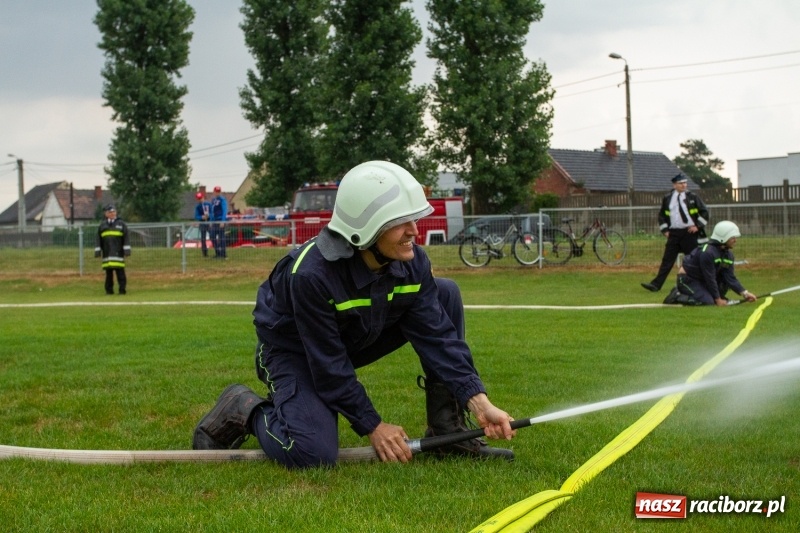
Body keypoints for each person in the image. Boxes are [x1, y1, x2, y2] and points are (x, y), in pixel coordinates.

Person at [193, 160, 516, 469]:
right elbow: (327, 363)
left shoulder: (412, 262)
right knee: (312, 451)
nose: (414, 231)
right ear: (367, 228)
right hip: (295, 352)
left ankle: (449, 433)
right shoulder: (311, 275)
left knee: (445, 293)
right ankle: (244, 407)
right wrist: (373, 425)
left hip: (353, 338)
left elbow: (439, 338)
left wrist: (478, 400)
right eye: (401, 222)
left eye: (413, 219)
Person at [641, 173, 709, 292]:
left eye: (685, 183)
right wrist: (665, 230)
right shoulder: (668, 198)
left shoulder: (693, 197)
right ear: (674, 185)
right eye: (681, 183)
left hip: (689, 233)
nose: (684, 185)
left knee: (692, 260)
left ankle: (700, 283)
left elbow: (705, 212)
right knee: (667, 260)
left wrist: (697, 226)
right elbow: (662, 215)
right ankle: (656, 285)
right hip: (674, 234)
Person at [663, 220, 757, 306]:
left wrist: (745, 293)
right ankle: (677, 294)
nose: (735, 240)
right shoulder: (707, 253)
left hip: (702, 280)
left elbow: (730, 278)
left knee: (723, 284)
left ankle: (711, 296)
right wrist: (718, 299)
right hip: (688, 280)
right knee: (708, 302)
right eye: (732, 237)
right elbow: (710, 278)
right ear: (723, 237)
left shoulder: (728, 255)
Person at [94, 204, 131, 295]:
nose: (112, 213)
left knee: (120, 273)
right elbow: (98, 239)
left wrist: (127, 251)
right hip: (107, 254)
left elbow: (126, 238)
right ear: (106, 214)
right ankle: (109, 291)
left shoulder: (121, 224)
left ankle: (122, 290)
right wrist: (98, 251)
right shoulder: (102, 225)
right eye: (110, 212)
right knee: (108, 274)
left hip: (118, 254)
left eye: (114, 212)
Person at [209, 185, 227, 259]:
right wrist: (210, 221)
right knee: (212, 236)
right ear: (214, 192)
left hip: (220, 220)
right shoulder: (213, 200)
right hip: (214, 221)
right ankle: (217, 252)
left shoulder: (222, 200)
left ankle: (223, 254)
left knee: (221, 237)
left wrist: (222, 221)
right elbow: (212, 211)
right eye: (216, 192)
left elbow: (224, 210)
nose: (217, 193)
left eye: (218, 192)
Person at [193, 191, 212, 257]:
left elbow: (212, 213)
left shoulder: (209, 204)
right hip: (203, 223)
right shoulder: (198, 207)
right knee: (203, 238)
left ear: (203, 197)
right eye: (198, 199)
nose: (200, 200)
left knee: (212, 236)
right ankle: (204, 253)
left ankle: (217, 250)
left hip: (209, 223)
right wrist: (201, 217)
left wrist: (209, 216)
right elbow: (196, 216)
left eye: (201, 198)